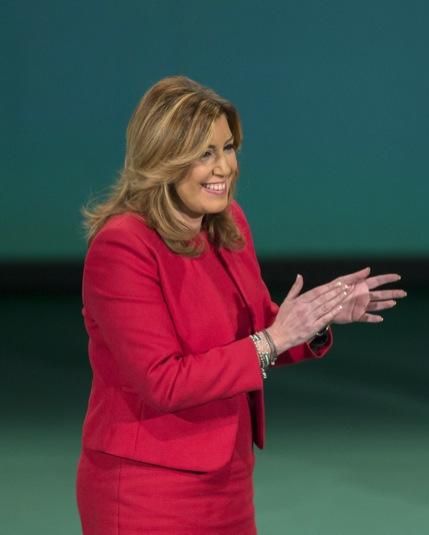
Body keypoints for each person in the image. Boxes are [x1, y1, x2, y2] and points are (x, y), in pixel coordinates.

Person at [76, 75, 406, 534]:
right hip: (145, 488)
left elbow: (254, 327)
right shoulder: (122, 247)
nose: (224, 168)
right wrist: (273, 339)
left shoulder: (228, 225)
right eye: (204, 154)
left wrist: (314, 318)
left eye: (227, 148)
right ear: (162, 158)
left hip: (227, 479)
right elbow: (162, 382)